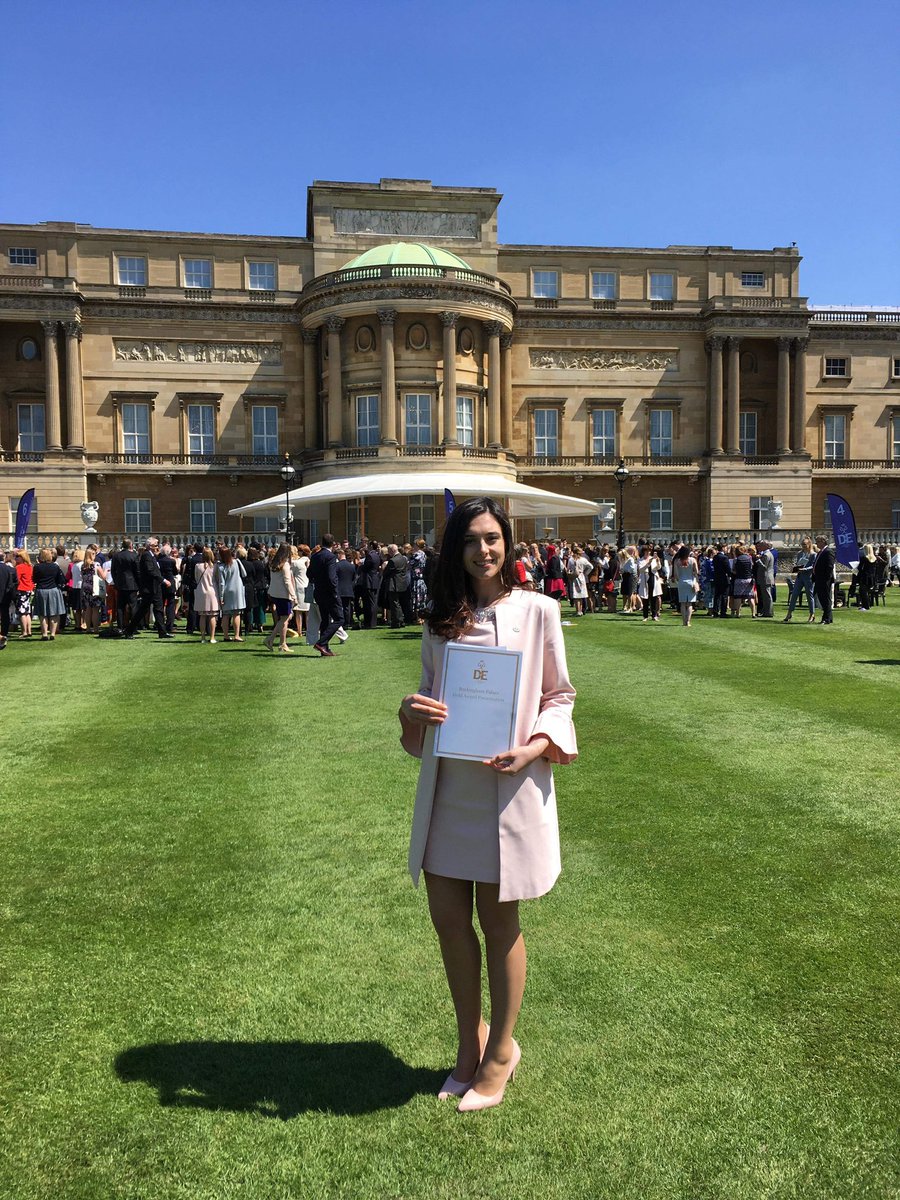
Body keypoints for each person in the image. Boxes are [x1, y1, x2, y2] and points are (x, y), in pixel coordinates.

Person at [399, 496, 576, 1113]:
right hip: (450, 790)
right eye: (472, 540)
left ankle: (502, 1049)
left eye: (493, 537)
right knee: (450, 923)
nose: (484, 550)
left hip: (509, 789)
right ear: (457, 550)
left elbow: (559, 695)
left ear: (509, 543)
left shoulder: (540, 611)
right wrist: (411, 711)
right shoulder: (438, 621)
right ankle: (467, 1045)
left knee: (499, 924)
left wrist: (535, 747)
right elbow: (427, 703)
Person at [124, 537, 171, 639]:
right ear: (150, 546)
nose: (157, 547)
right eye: (156, 545)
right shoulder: (146, 555)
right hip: (149, 588)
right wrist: (163, 580)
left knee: (158, 610)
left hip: (155, 587)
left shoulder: (152, 555)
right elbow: (150, 571)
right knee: (142, 610)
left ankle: (162, 632)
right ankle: (129, 630)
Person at [308, 533, 343, 655]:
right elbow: (331, 577)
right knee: (339, 619)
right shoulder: (330, 557)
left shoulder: (315, 556)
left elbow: (309, 574)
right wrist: (335, 592)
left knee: (325, 620)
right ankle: (321, 642)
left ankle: (325, 648)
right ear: (333, 544)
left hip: (318, 591)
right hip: (329, 592)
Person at [265, 542, 298, 653]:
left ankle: (280, 643)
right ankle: (272, 640)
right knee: (284, 619)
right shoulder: (285, 564)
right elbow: (287, 582)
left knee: (283, 619)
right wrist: (294, 596)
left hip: (274, 593)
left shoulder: (273, 563)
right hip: (283, 595)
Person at [30, 548, 67, 640]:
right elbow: (60, 580)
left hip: (41, 590)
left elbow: (34, 579)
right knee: (54, 613)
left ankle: (44, 634)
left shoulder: (37, 567)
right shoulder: (55, 566)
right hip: (53, 590)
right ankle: (53, 633)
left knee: (43, 614)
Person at [783, 536, 816, 623]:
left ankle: (812, 614)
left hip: (808, 577)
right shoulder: (800, 554)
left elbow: (813, 566)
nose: (803, 546)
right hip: (800, 577)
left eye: (805, 544)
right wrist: (796, 568)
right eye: (802, 544)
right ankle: (789, 613)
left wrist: (804, 569)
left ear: (809, 544)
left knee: (809, 596)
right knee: (794, 594)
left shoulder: (813, 554)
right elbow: (798, 563)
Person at [216, 546, 246, 641]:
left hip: (227, 590)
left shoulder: (220, 566)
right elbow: (244, 573)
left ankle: (226, 635)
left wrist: (221, 596)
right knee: (236, 613)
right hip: (237, 589)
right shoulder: (237, 562)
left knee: (226, 614)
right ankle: (237, 635)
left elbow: (221, 582)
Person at [110, 538, 141, 631]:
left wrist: (116, 581)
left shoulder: (116, 556)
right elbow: (137, 571)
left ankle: (120, 626)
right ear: (131, 545)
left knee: (120, 607)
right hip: (132, 584)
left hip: (120, 584)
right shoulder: (134, 556)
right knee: (133, 606)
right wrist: (139, 583)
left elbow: (113, 571)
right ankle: (133, 627)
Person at [192, 547, 220, 643]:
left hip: (201, 591)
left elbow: (196, 578)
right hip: (212, 591)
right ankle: (212, 637)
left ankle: (203, 637)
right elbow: (217, 579)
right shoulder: (215, 566)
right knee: (212, 616)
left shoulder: (197, 566)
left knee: (202, 616)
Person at [384, 543, 409, 628]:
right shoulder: (403, 558)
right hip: (402, 583)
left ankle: (397, 621)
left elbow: (386, 572)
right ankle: (401, 620)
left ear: (392, 551)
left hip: (394, 584)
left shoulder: (393, 561)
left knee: (394, 604)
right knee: (400, 603)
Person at [636, 544, 663, 622]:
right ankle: (645, 616)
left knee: (654, 597)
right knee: (645, 598)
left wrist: (658, 561)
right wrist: (648, 563)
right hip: (645, 578)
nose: (648, 553)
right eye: (646, 551)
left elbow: (658, 568)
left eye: (649, 551)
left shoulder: (653, 559)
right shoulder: (640, 560)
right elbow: (641, 570)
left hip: (653, 578)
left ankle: (654, 615)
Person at [673, 545, 699, 626]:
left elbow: (676, 575)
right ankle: (688, 621)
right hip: (691, 582)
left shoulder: (677, 561)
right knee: (689, 604)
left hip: (681, 582)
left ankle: (684, 621)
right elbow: (696, 571)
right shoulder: (693, 560)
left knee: (683, 603)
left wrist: (678, 579)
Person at [812, 535, 836, 625]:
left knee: (825, 599)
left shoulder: (828, 552)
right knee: (823, 599)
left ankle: (826, 618)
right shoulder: (820, 552)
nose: (816, 543)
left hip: (824, 579)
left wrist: (826, 579)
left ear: (823, 541)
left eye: (818, 541)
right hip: (819, 578)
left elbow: (829, 566)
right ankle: (829, 618)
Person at [361, 540, 383, 629]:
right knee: (373, 602)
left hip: (369, 580)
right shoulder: (378, 555)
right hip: (375, 580)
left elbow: (366, 567)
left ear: (370, 546)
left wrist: (361, 566)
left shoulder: (370, 555)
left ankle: (369, 622)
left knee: (368, 603)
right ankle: (373, 622)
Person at [14, 549, 35, 639]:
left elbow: (16, 580)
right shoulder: (30, 566)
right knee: (27, 612)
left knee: (22, 612)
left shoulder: (19, 567)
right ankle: (29, 631)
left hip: (21, 590)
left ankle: (24, 632)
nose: (15, 558)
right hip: (28, 590)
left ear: (22, 557)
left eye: (17, 557)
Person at [0, 552, 17, 648]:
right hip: (5, 596)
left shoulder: (8, 569)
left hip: (4, 595)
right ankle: (4, 633)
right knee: (5, 615)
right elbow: (11, 584)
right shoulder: (9, 569)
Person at [754, 542, 775, 617]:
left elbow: (764, 567)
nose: (759, 547)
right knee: (766, 596)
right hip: (766, 577)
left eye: (761, 545)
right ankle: (767, 612)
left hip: (765, 577)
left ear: (765, 546)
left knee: (767, 596)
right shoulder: (767, 554)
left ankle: (768, 612)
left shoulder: (766, 555)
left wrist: (758, 560)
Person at [856, 544, 877, 611]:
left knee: (862, 591)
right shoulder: (875, 558)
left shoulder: (865, 558)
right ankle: (867, 605)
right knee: (866, 591)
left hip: (865, 576)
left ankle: (865, 606)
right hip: (871, 577)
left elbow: (860, 567)